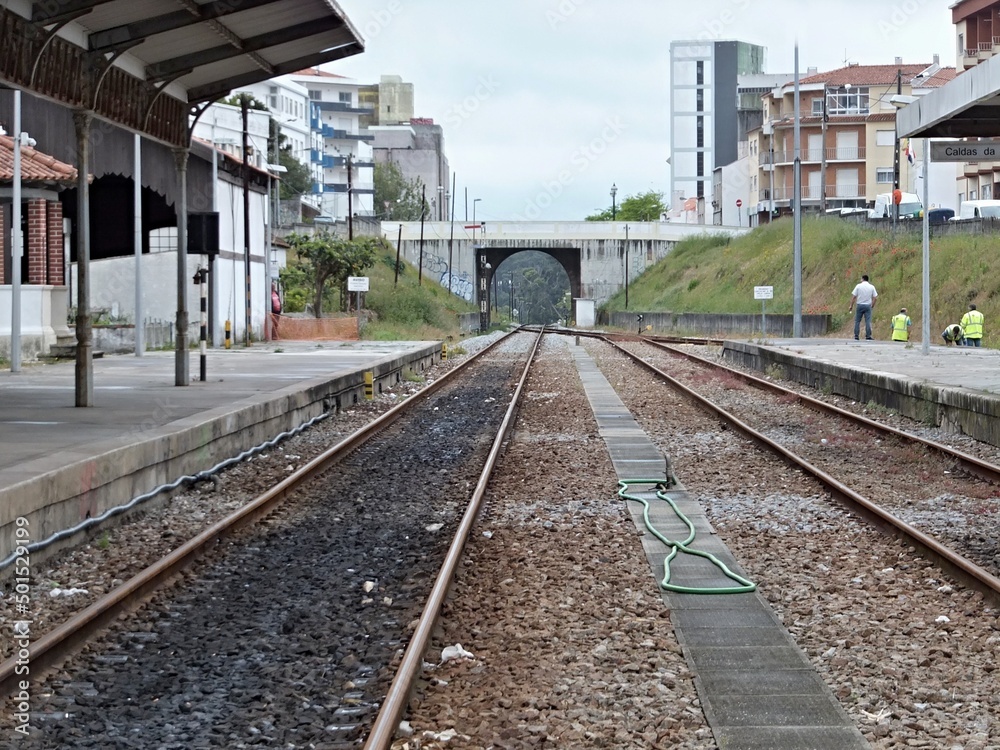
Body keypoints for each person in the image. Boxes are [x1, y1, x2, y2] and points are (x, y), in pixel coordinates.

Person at [849, 274, 878, 340]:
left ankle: (856, 335)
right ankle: (868, 336)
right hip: (868, 306)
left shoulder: (858, 286)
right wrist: (872, 305)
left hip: (859, 305)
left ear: (862, 279)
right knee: (868, 321)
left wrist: (851, 306)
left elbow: (854, 297)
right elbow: (875, 297)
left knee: (857, 321)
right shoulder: (871, 287)